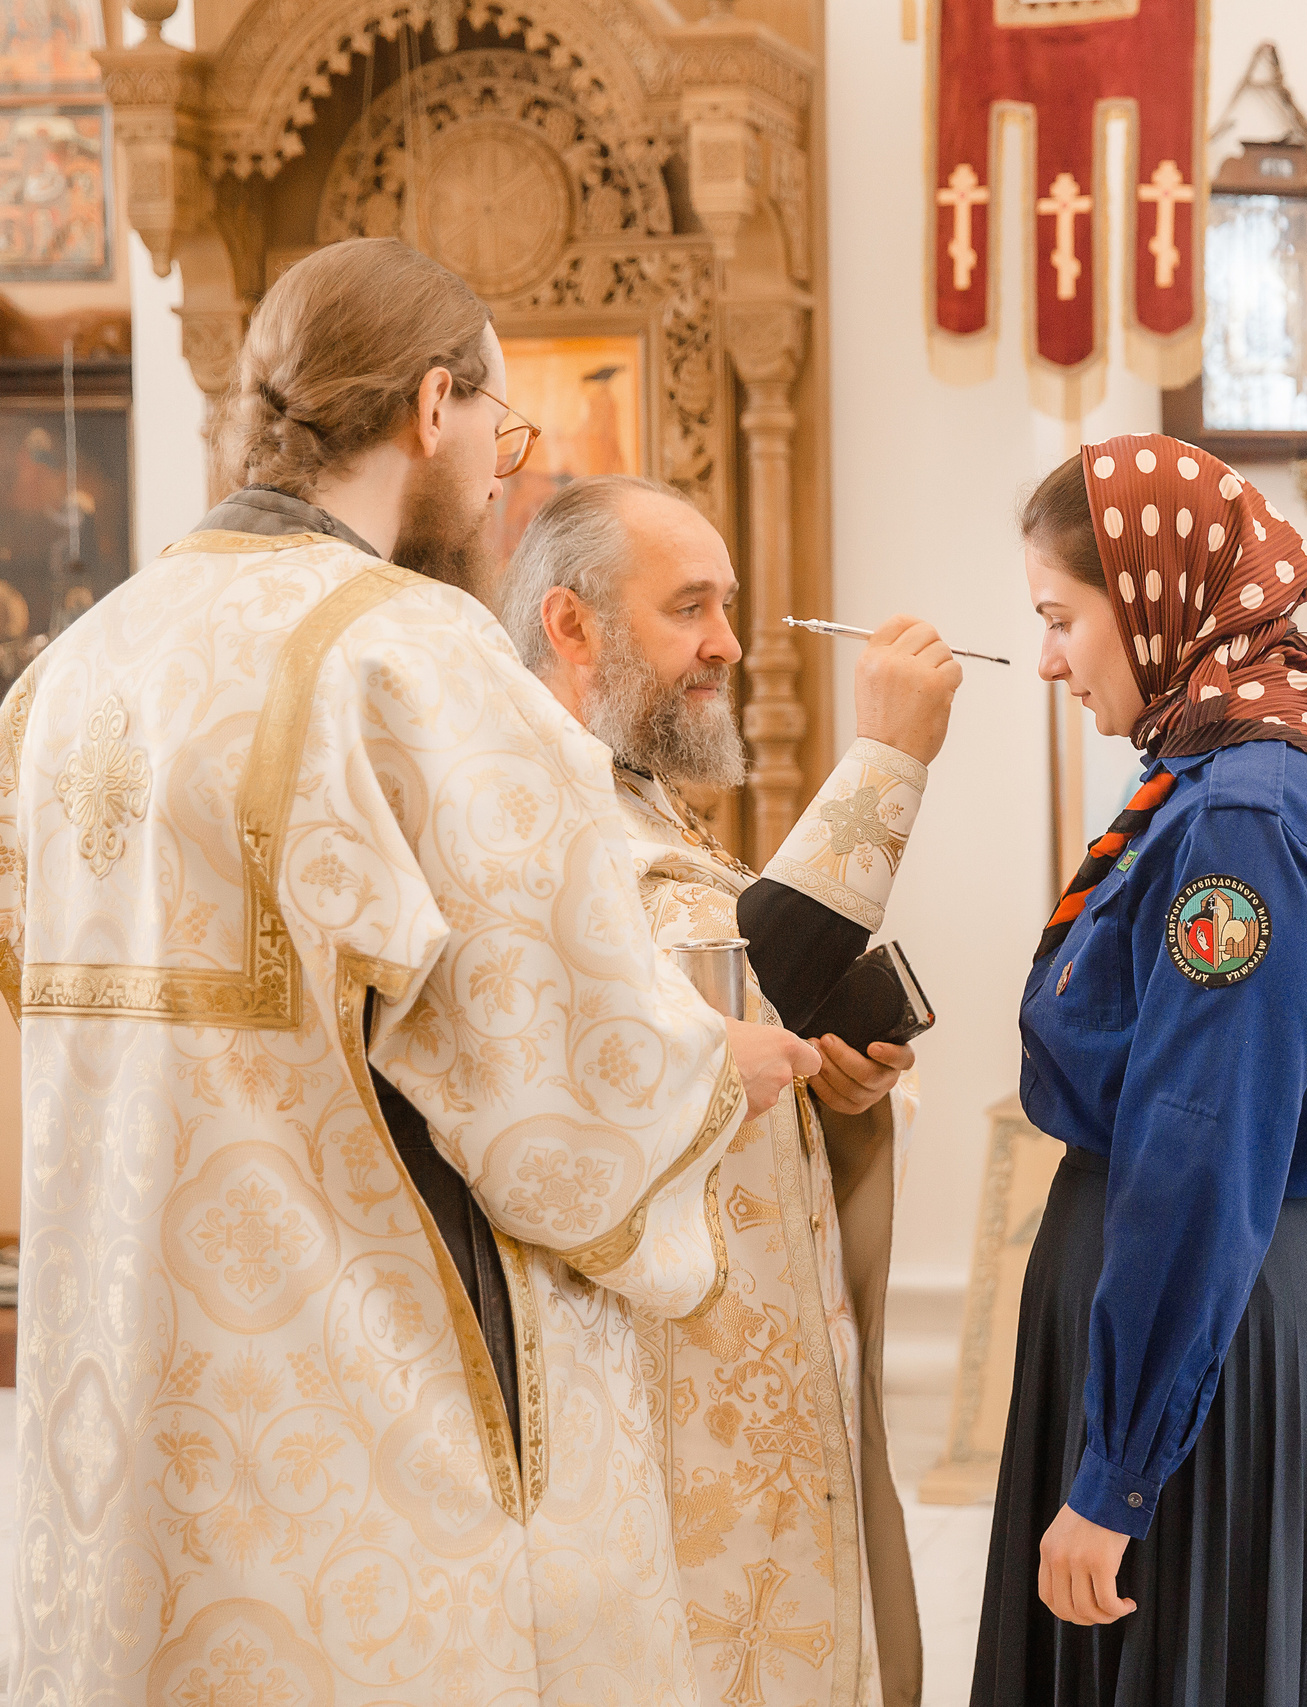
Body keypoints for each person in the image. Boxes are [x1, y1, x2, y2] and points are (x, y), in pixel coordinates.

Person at [0, 238, 821, 1704]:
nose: (499, 468)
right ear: (434, 406)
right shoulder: (411, 655)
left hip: (132, 1420)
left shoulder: (76, 663)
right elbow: (558, 1104)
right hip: (368, 1429)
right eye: (499, 425)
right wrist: (713, 1069)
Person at [975, 433, 1307, 1704]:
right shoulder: (1216, 770)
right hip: (1208, 1327)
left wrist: (1120, 1468)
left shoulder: (1242, 808)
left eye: (1062, 619)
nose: (1049, 658)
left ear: (1150, 596)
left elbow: (1201, 1136)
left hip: (1210, 1361)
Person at [500, 474, 963, 1707]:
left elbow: (730, 1030)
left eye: (730, 605)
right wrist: (887, 760)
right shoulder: (525, 809)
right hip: (649, 1405)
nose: (728, 644)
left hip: (748, 1391)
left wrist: (834, 1096)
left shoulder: (642, 802)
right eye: (690, 608)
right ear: (572, 624)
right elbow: (740, 981)